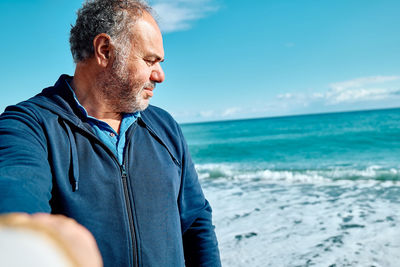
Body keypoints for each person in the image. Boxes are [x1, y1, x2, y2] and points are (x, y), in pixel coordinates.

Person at [0, 0, 221, 266]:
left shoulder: (165, 126)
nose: (160, 75)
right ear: (105, 50)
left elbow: (196, 222)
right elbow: (15, 221)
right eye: (150, 60)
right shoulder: (28, 126)